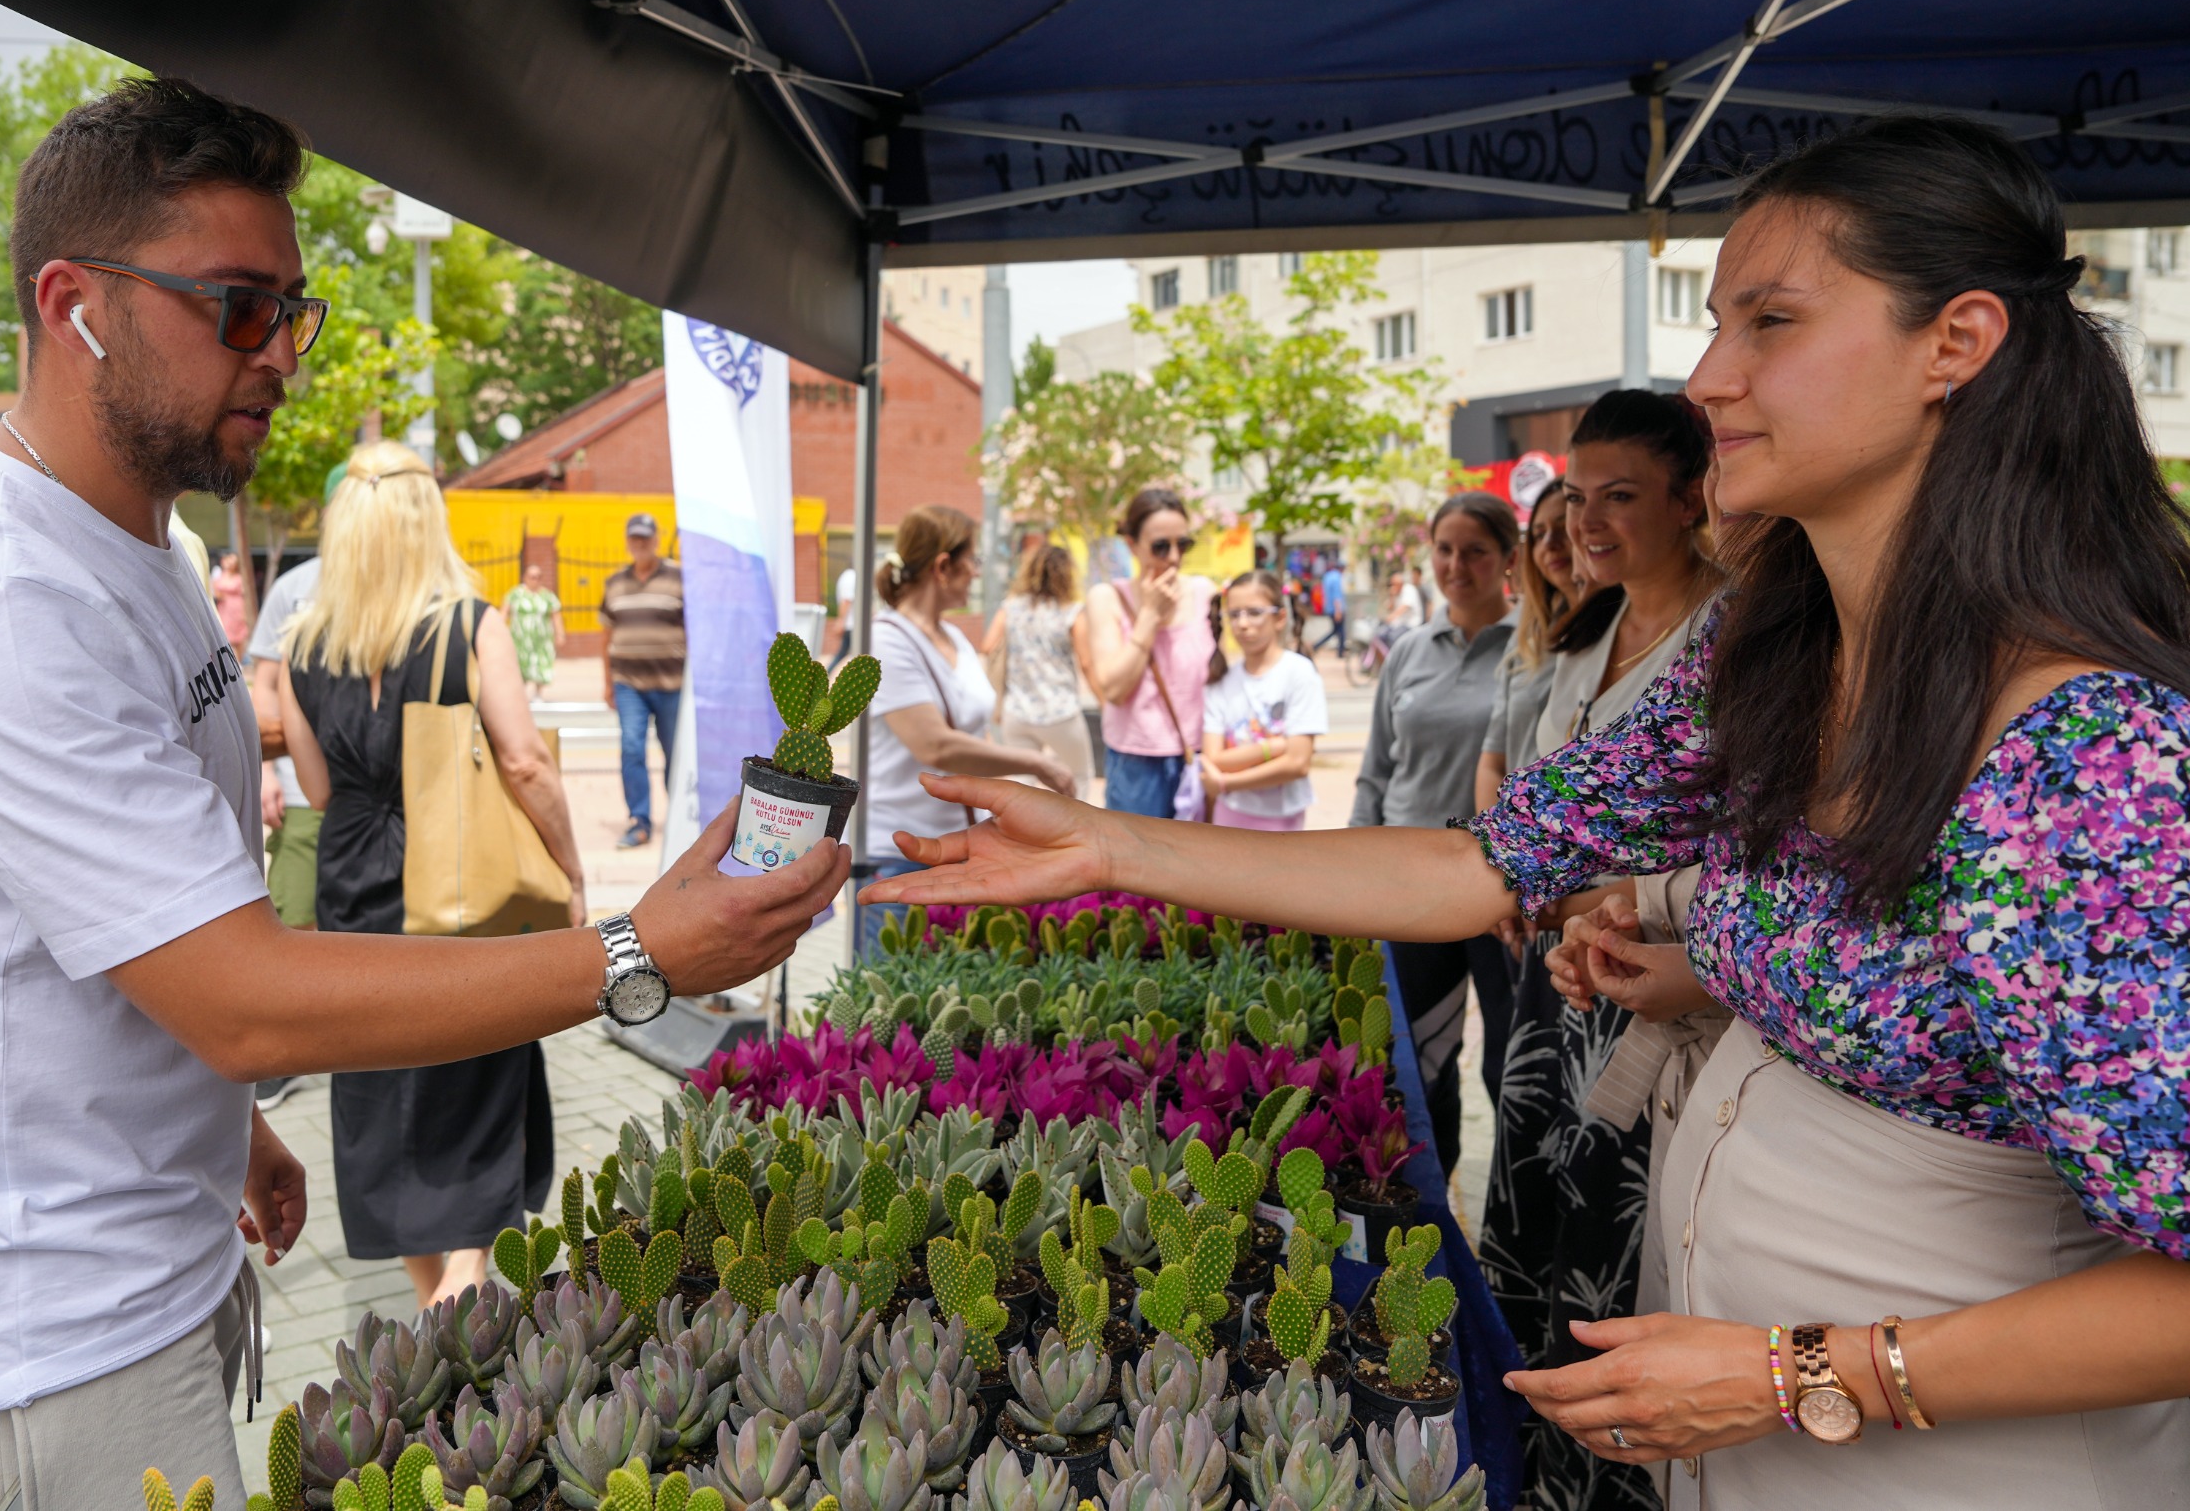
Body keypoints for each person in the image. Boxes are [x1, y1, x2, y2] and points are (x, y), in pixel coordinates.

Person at [866, 116, 2190, 1509]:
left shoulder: (2089, 755)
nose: (1709, 376)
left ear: (1957, 343)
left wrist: (1804, 1370)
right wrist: (1115, 846)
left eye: (1772, 321)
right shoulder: (1779, 657)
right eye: (1717, 320)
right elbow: (1476, 865)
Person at [0, 75, 845, 1509]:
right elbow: (244, 990)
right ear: (73, 303)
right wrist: (637, 955)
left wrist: (221, 1120)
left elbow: (120, 923)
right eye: (238, 305)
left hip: (120, 1276)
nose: (282, 354)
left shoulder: (140, 549)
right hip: (23, 1342)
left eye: (291, 309)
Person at [1480, 393, 1724, 1511]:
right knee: (1534, 1231)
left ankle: (1596, 1478)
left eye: (1620, 495)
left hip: (1652, 999)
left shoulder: (1725, 648)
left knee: (1609, 1261)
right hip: (1555, 993)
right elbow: (1521, 825)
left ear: (1691, 498)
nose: (1587, 519)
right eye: (1578, 495)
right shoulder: (1586, 631)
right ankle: (1530, 1456)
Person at [277, 439, 587, 1308]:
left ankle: (438, 1302)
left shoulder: (303, 644)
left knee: (381, 1094)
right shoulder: (469, 623)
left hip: (353, 884)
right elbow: (524, 763)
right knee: (477, 1084)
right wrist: (570, 868)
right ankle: (465, 1288)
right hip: (458, 888)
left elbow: (316, 787)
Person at [1348, 491, 1521, 1173]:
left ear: (1509, 558)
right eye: (1445, 549)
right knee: (1422, 1056)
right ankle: (1430, 1196)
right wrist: (1355, 873)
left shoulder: (1538, 647)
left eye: (1476, 550)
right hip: (1408, 882)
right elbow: (1375, 771)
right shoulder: (1408, 652)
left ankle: (1513, 1207)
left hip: (1503, 886)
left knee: (1510, 1056)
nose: (1457, 565)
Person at [856, 506, 1075, 959]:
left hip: (960, 850)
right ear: (942, 566)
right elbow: (934, 745)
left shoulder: (955, 639)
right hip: (898, 856)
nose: (977, 573)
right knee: (891, 1011)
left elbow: (975, 738)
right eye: (972, 560)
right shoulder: (886, 641)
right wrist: (1036, 762)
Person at [243, 463, 349, 1115]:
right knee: (295, 919)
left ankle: (354, 1045)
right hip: (303, 793)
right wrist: (261, 771)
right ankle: (291, 1057)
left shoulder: (409, 587)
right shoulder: (295, 588)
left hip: (381, 803)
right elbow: (263, 683)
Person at [1082, 488, 1218, 819]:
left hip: (1199, 754)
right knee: (1134, 866)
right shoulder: (1108, 598)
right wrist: (1149, 618)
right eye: (1160, 546)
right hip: (1136, 762)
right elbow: (1113, 689)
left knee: (1199, 863)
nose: (1173, 557)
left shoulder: (1203, 593)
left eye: (1183, 544)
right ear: (1131, 544)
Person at [1474, 477, 1583, 811]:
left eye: (1563, 528)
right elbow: (1493, 762)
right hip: (1515, 846)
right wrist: (1490, 846)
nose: (1550, 544)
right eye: (1538, 534)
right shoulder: (1528, 641)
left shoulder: (1630, 631)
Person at [1199, 568, 1326, 831]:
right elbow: (1213, 759)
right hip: (1230, 816)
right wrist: (1275, 748)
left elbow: (1298, 763)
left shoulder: (1299, 673)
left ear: (1280, 618)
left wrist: (1227, 783)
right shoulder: (1221, 680)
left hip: (1281, 820)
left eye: (1254, 613)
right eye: (1234, 614)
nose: (1242, 624)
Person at [980, 541, 1095, 790]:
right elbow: (1086, 662)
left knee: (1022, 785)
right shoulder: (1072, 611)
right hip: (1061, 712)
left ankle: (1019, 829)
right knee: (1079, 777)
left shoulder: (1011, 607)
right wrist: (1105, 700)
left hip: (1017, 711)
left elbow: (988, 646)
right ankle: (1073, 829)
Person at [601, 512, 683, 849]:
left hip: (673, 684)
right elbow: (605, 634)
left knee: (674, 754)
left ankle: (680, 819)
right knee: (631, 749)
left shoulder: (680, 578)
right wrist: (607, 682)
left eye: (645, 538)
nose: (640, 544)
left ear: (656, 540)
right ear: (627, 541)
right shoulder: (614, 583)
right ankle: (639, 820)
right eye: (634, 538)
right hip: (628, 682)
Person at [504, 560, 562, 701]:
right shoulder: (515, 594)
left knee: (541, 663)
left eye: (538, 577)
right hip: (520, 639)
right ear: (525, 577)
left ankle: (538, 694)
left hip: (541, 639)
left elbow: (556, 616)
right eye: (531, 576)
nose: (534, 580)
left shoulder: (547, 596)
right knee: (520, 664)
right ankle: (520, 694)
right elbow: (503, 613)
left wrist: (560, 634)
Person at [211, 547, 251, 647]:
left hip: (237, 610)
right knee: (226, 638)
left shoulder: (239, 577)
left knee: (238, 640)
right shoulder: (219, 575)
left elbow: (245, 595)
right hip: (224, 610)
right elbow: (214, 591)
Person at [1311, 553, 1350, 655]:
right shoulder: (1336, 578)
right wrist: (1338, 611)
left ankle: (1337, 650)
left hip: (1329, 608)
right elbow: (1336, 596)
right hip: (1335, 609)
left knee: (1337, 631)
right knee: (1339, 631)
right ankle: (1339, 652)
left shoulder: (1328, 576)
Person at [830, 563, 858, 664]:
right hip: (851, 624)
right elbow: (846, 600)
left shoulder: (848, 575)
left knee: (845, 654)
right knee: (844, 655)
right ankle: (828, 674)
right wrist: (841, 621)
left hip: (851, 624)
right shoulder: (851, 576)